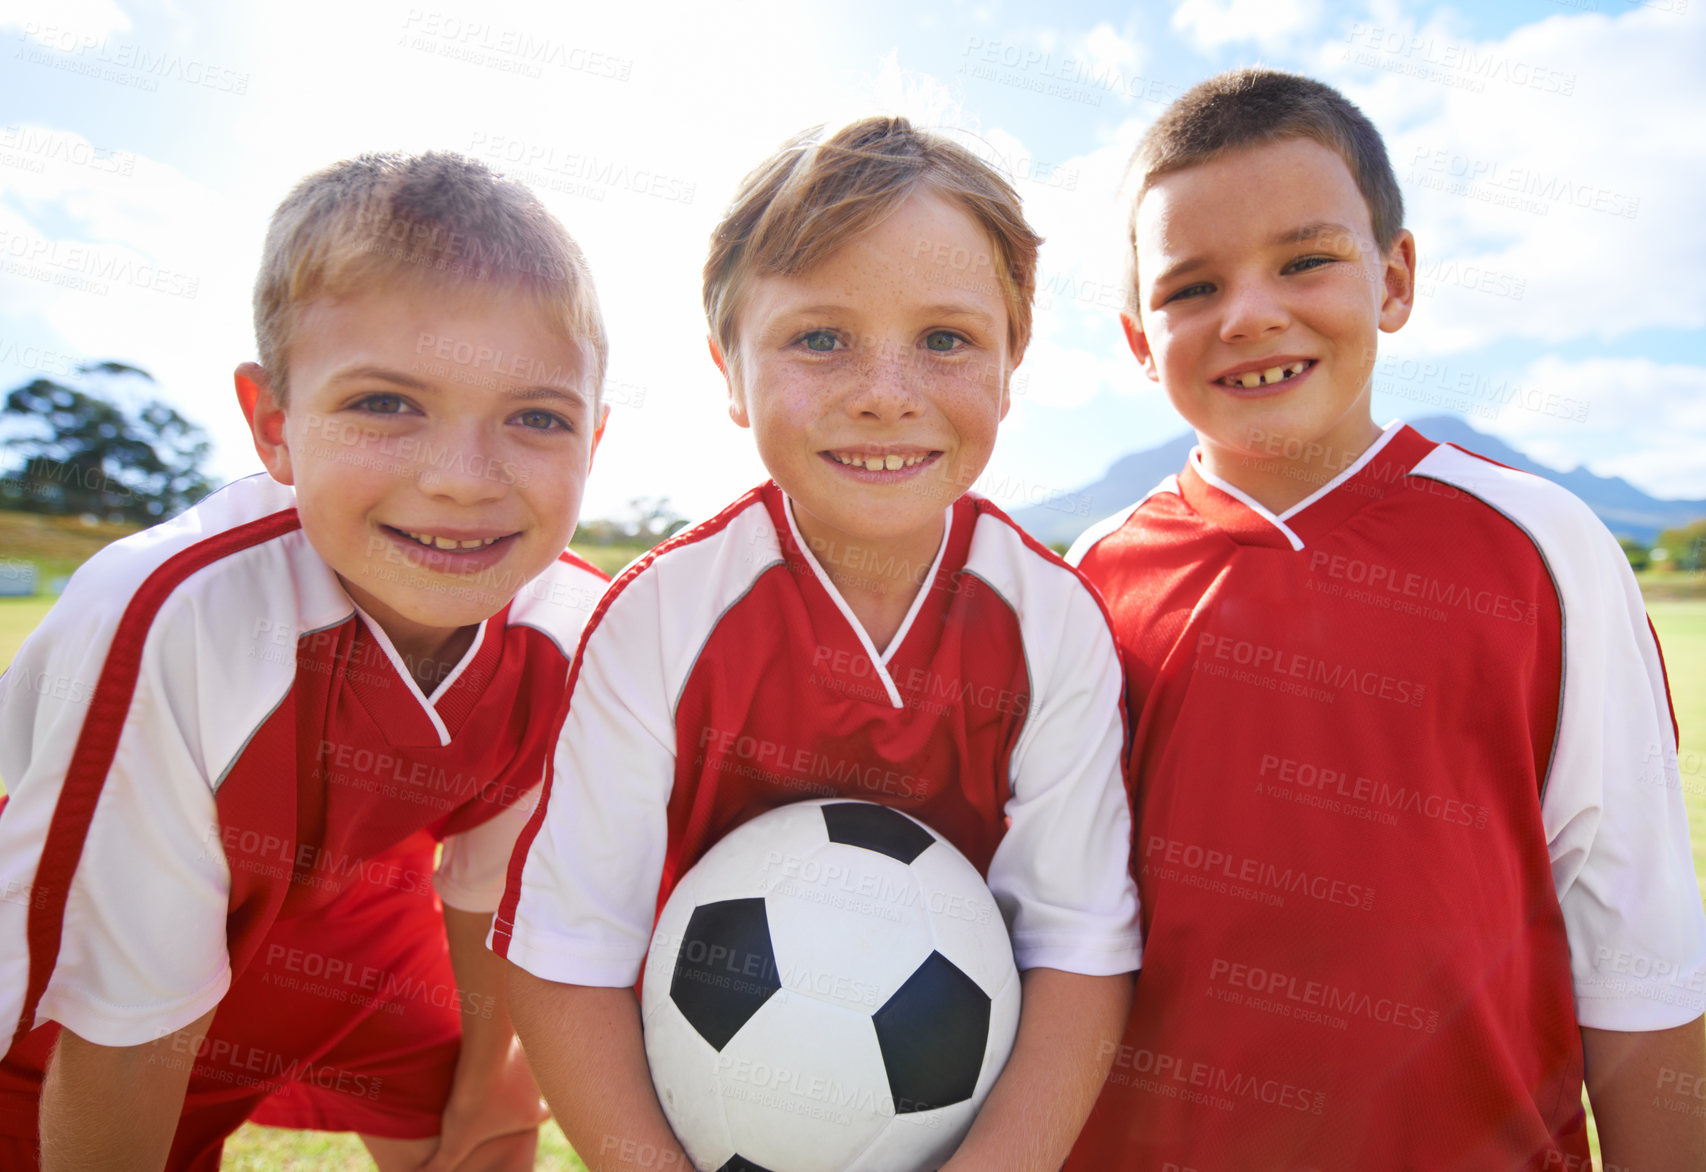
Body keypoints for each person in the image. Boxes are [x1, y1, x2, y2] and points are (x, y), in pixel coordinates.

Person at [1063, 66, 1706, 1170]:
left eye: (1304, 259)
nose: (1250, 312)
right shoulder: (1085, 578)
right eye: (1188, 288)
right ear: (1135, 337)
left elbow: (1635, 948)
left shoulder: (1542, 543)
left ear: (1393, 278)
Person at [494, 116, 1142, 1171]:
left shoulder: (1049, 622)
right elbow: (568, 950)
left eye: (945, 339)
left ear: (1011, 363)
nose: (885, 391)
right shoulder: (663, 615)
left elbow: (1076, 947)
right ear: (730, 369)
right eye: (818, 337)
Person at [0, 151, 613, 1171]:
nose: (462, 480)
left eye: (535, 416)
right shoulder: (177, 617)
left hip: (339, 914)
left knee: (484, 1103)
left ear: (594, 435)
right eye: (385, 403)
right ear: (274, 426)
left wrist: (484, 1093)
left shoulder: (573, 631)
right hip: (81, 989)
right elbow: (122, 1035)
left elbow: (486, 896)